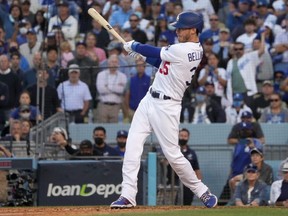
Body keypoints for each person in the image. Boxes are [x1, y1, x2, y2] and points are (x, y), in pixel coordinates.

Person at [110, 11, 218, 209]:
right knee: (132, 148)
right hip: (149, 100)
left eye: (181, 28)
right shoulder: (182, 50)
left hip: (167, 106)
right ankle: (127, 195)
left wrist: (134, 46)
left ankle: (201, 190)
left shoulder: (187, 49)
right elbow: (161, 63)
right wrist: (140, 55)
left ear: (193, 30)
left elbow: (155, 51)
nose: (177, 30)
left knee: (173, 155)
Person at [166, 128, 202, 205]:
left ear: (188, 137)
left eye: (185, 136)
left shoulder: (192, 153)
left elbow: (196, 169)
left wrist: (199, 185)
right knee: (172, 204)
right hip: (173, 183)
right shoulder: (172, 150)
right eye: (181, 135)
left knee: (187, 204)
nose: (183, 138)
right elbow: (163, 163)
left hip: (188, 185)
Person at [96, 54, 127, 123]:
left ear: (118, 64)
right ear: (108, 63)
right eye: (112, 62)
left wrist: (107, 86)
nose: (113, 64)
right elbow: (101, 90)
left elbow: (121, 90)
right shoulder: (101, 75)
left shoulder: (122, 76)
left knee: (114, 128)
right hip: (103, 105)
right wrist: (116, 87)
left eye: (115, 62)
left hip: (116, 106)